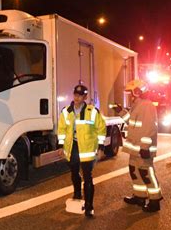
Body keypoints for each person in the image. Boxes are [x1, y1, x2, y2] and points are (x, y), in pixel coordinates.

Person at [112, 79, 162, 212]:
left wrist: (145, 147)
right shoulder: (138, 105)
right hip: (135, 148)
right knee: (135, 172)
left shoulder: (147, 105)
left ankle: (155, 200)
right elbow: (131, 122)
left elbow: (150, 128)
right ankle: (139, 196)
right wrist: (120, 111)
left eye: (131, 93)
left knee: (146, 173)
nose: (130, 95)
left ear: (138, 91)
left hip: (142, 148)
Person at [57, 84, 106, 217]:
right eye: (75, 95)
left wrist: (101, 147)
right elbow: (61, 129)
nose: (77, 97)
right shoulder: (66, 111)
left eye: (80, 95)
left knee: (88, 177)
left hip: (87, 149)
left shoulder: (92, 111)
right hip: (72, 148)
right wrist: (60, 146)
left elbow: (101, 129)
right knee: (74, 173)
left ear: (85, 97)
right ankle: (77, 195)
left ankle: (89, 206)